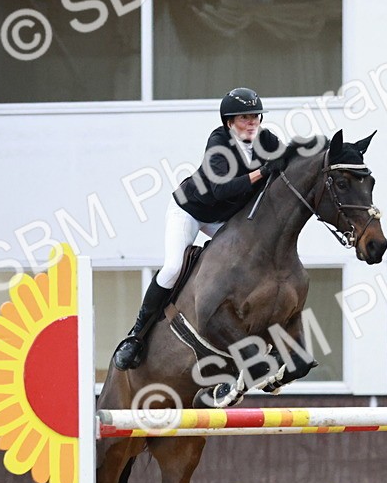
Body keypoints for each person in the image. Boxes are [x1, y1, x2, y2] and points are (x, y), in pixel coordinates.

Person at [112, 87, 284, 370]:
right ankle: (136, 335)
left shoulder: (266, 140)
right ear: (229, 122)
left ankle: (268, 339)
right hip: (191, 211)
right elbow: (219, 189)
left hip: (223, 220)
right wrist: (263, 172)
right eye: (244, 117)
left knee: (253, 265)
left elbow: (290, 163)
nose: (253, 122)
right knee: (172, 267)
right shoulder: (218, 142)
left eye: (256, 116)